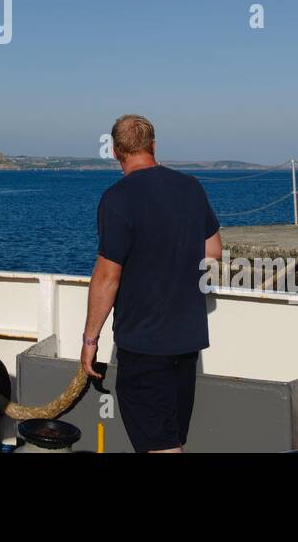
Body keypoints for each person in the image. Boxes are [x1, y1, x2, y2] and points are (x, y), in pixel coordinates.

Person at [79, 114, 222, 453]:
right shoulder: (191, 187)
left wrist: (89, 340)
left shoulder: (117, 198)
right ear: (153, 146)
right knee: (171, 438)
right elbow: (213, 251)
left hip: (145, 345)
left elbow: (107, 276)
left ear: (115, 152)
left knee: (160, 446)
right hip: (187, 342)